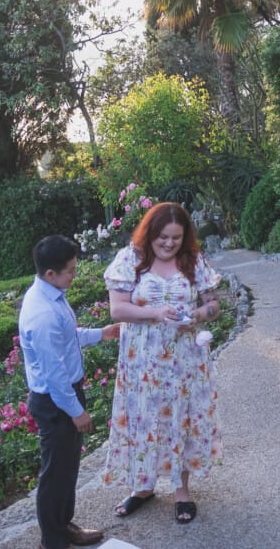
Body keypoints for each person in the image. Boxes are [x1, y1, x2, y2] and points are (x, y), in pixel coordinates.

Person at [101, 201, 223, 524]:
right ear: (150, 233)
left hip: (185, 361)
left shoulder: (193, 260)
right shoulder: (131, 259)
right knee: (144, 417)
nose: (169, 244)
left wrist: (196, 315)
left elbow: (213, 305)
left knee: (181, 417)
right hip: (142, 361)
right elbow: (117, 310)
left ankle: (181, 490)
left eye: (176, 238)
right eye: (163, 237)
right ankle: (143, 487)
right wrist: (155, 313)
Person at [19, 235, 120, 549]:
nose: (75, 274)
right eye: (71, 271)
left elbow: (67, 337)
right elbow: (54, 376)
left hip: (62, 395)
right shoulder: (42, 314)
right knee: (55, 475)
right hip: (55, 401)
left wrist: (100, 334)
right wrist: (76, 411)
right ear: (51, 273)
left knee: (66, 469)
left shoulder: (51, 295)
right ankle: (53, 541)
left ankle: (63, 527)